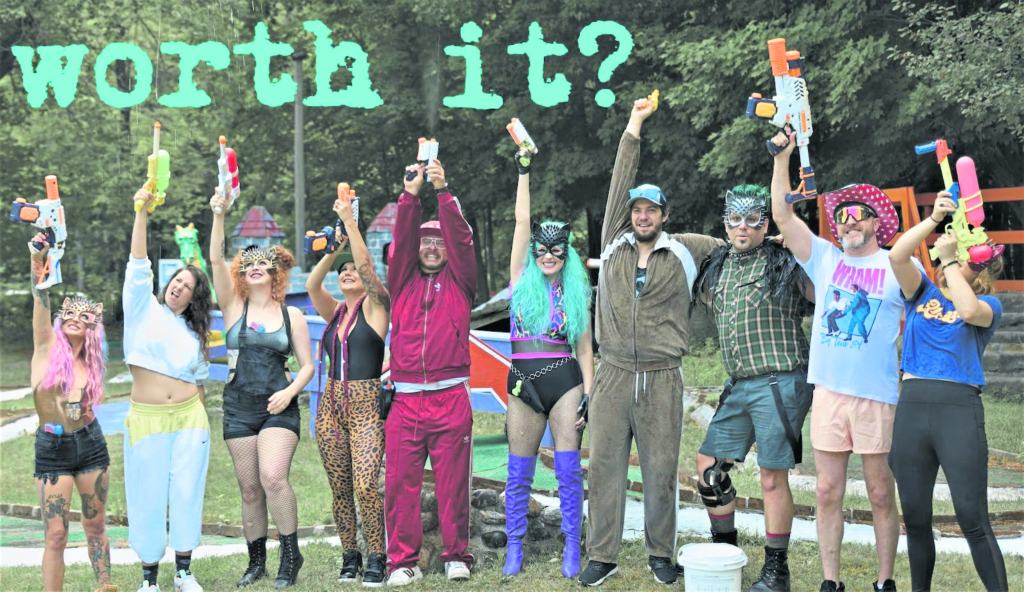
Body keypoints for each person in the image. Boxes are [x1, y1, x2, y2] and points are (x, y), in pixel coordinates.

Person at [580, 97, 725, 587]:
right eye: (637, 210)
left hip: (663, 377)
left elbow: (740, 244)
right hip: (613, 372)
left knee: (661, 470)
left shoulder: (686, 249)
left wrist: (779, 239)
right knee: (604, 467)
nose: (643, 216)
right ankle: (602, 555)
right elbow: (620, 177)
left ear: (664, 214)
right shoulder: (613, 243)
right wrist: (635, 124)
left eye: (651, 210)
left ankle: (661, 553)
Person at [771, 129, 912, 592]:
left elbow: (927, 313)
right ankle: (830, 581)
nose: (848, 222)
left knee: (880, 493)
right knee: (827, 491)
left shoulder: (897, 265)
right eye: (842, 216)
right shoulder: (826, 258)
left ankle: (885, 581)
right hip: (829, 393)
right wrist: (782, 158)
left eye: (858, 215)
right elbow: (782, 214)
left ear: (876, 222)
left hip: (877, 395)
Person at [690, 185, 814, 592]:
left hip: (779, 379)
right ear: (725, 222)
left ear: (765, 223)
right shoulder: (718, 263)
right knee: (708, 466)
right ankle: (726, 552)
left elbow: (821, 292)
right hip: (738, 383)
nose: (742, 226)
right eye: (735, 218)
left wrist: (800, 247)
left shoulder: (783, 259)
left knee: (772, 477)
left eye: (752, 219)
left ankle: (777, 571)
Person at [888, 191, 1008, 591]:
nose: (947, 264)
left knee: (972, 518)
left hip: (957, 410)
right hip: (912, 406)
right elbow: (897, 256)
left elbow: (968, 310)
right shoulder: (922, 291)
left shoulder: (989, 305)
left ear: (981, 269)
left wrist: (951, 260)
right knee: (915, 519)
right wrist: (935, 219)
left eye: (963, 259)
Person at [209, 191, 315, 588]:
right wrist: (219, 214)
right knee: (250, 490)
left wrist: (290, 393)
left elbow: (308, 366)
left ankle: (290, 556)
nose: (255, 268)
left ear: (275, 274)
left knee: (273, 478)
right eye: (248, 264)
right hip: (238, 407)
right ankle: (256, 563)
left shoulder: (292, 315)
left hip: (278, 407)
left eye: (262, 264)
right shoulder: (233, 308)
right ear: (241, 273)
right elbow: (215, 260)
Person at [384, 157, 477, 586]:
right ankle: (403, 561)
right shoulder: (401, 281)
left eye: (439, 242)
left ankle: (457, 555)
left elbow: (462, 239)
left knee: (453, 484)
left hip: (450, 395)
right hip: (405, 399)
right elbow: (402, 241)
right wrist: (410, 196)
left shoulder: (461, 281)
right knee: (400, 484)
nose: (433, 247)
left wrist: (442, 192)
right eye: (426, 242)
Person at [503, 149, 594, 578]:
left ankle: (572, 546)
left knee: (568, 470)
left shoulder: (576, 294)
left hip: (565, 382)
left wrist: (589, 394)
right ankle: (514, 546)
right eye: (542, 248)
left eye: (557, 249)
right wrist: (524, 171)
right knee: (518, 470)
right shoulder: (520, 280)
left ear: (566, 253)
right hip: (523, 381)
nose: (548, 255)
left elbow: (586, 350)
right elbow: (522, 222)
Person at [124, 187, 214, 592]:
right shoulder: (142, 309)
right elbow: (138, 264)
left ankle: (183, 572)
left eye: (187, 285)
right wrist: (142, 212)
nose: (179, 286)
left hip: (190, 420)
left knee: (186, 491)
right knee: (146, 492)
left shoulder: (194, 335)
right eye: (177, 279)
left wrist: (202, 418)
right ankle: (149, 579)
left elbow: (199, 381)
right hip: (147, 419)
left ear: (194, 297)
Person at [304, 190, 390, 587]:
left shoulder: (376, 307)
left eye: (352, 270)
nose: (347, 273)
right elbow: (312, 283)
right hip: (331, 407)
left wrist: (351, 226)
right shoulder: (336, 311)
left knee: (366, 485)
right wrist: (332, 249)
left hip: (366, 405)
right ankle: (350, 555)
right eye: (343, 272)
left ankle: (377, 556)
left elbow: (369, 271)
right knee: (339, 487)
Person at [29, 237, 117, 592]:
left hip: (90, 444)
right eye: (69, 313)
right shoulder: (46, 349)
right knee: (56, 535)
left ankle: (105, 585)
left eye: (85, 316)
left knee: (95, 525)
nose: (75, 319)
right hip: (52, 449)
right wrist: (39, 261)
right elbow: (41, 301)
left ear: (93, 326)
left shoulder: (91, 365)